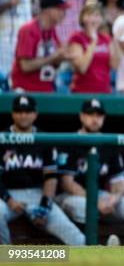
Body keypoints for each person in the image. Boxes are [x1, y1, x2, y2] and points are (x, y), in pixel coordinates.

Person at [57, 99, 124, 245]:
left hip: (99, 196)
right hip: (69, 196)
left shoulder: (108, 143)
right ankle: (87, 256)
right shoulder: (71, 141)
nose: (95, 119)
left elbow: (119, 181)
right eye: (90, 115)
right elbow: (67, 183)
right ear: (81, 116)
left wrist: (113, 198)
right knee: (82, 207)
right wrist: (95, 201)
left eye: (99, 115)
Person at [0, 95, 85, 245]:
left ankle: (93, 261)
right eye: (19, 111)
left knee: (76, 237)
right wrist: (10, 200)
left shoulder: (44, 138)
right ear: (12, 114)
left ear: (35, 114)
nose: (23, 115)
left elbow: (50, 178)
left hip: (38, 194)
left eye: (27, 111)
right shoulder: (2, 137)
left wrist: (44, 207)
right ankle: (6, 261)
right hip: (7, 195)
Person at [11, 0, 70, 92]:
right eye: (60, 9)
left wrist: (63, 57)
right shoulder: (29, 30)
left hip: (46, 89)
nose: (63, 13)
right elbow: (25, 66)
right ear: (47, 10)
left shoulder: (52, 30)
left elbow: (55, 61)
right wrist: (54, 57)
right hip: (26, 91)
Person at [0, 0, 37, 88]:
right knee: (5, 82)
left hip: (27, 41)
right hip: (4, 42)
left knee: (24, 83)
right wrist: (6, 4)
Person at [67, 0, 118, 93]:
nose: (93, 19)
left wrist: (117, 42)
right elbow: (82, 68)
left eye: (97, 15)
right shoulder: (76, 37)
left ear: (102, 19)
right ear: (82, 17)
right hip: (81, 91)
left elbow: (114, 65)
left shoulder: (106, 39)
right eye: (89, 15)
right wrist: (93, 41)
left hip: (104, 91)